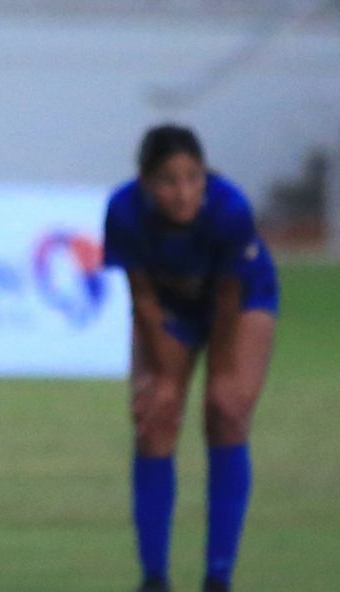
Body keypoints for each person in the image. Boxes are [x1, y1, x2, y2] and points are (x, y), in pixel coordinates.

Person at [103, 125, 278, 592]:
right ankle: (154, 577)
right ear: (145, 182)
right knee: (155, 414)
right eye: (168, 180)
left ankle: (218, 576)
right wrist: (163, 379)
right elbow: (142, 300)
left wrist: (220, 378)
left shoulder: (229, 209)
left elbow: (226, 304)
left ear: (205, 176)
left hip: (241, 301)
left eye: (192, 178)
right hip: (169, 306)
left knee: (225, 409)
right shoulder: (123, 210)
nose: (183, 193)